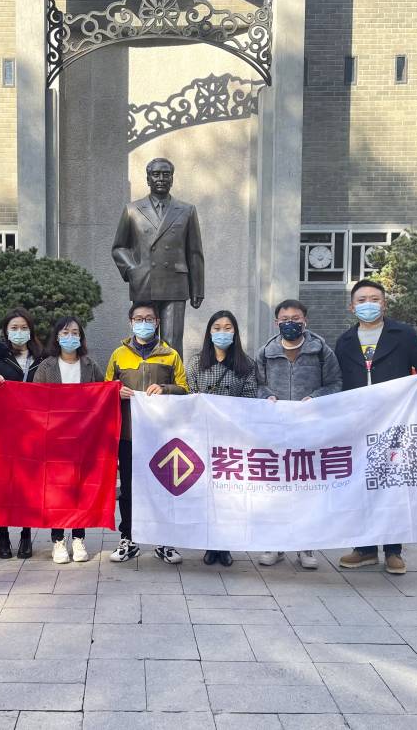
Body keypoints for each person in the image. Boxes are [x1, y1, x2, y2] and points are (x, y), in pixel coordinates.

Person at [334, 279, 417, 576]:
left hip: (395, 423)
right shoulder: (344, 341)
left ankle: (394, 550)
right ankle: (365, 548)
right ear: (352, 307)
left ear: (384, 304)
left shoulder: (402, 334)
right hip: (358, 424)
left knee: (393, 484)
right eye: (362, 300)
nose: (368, 304)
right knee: (361, 483)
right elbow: (338, 381)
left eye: (374, 299)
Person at [256, 299, 342, 570]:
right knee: (275, 490)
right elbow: (256, 384)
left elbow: (335, 383)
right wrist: (266, 396)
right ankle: (274, 545)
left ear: (305, 321)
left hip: (309, 430)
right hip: (276, 431)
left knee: (305, 489)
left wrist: (315, 398)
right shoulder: (266, 352)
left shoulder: (321, 351)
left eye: (295, 318)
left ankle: (306, 546)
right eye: (284, 319)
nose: (290, 323)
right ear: (276, 322)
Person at [105, 301, 189, 565]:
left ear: (157, 322)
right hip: (128, 434)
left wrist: (166, 389)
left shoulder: (170, 355)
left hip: (161, 436)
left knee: (163, 488)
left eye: (149, 319)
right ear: (131, 322)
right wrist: (115, 392)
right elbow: (104, 389)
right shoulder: (118, 354)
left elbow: (185, 389)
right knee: (128, 490)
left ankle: (164, 541)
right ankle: (128, 539)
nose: (144, 323)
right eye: (138, 319)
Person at [111, 157, 205, 358]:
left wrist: (197, 288)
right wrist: (132, 270)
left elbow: (194, 252)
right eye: (156, 174)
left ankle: (172, 378)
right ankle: (143, 377)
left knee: (172, 343)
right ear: (148, 179)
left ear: (172, 179)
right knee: (144, 340)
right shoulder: (132, 210)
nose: (161, 178)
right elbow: (119, 247)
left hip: (175, 285)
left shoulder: (187, 210)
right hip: (144, 282)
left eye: (166, 174)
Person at [186, 310, 258, 567]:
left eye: (228, 328)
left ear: (235, 332)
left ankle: (225, 545)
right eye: (217, 328)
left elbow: (250, 398)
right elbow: (191, 396)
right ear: (209, 332)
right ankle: (209, 543)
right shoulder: (196, 362)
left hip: (231, 439)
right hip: (204, 437)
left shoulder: (246, 365)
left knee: (229, 494)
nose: (222, 332)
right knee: (206, 493)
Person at [33, 315, 105, 564]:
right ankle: (58, 540)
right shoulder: (47, 367)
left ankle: (78, 538)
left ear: (81, 338)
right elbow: (34, 400)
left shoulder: (90, 366)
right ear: (57, 337)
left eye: (75, 333)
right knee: (56, 490)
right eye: (65, 333)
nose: (70, 337)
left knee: (80, 488)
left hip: (83, 439)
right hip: (54, 439)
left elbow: (103, 394)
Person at [0, 308, 43, 559]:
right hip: (3, 429)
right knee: (4, 483)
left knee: (28, 483)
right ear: (6, 331)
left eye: (24, 327)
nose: (19, 332)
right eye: (14, 328)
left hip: (32, 428)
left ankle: (26, 533)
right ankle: (3, 533)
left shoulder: (42, 356)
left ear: (31, 330)